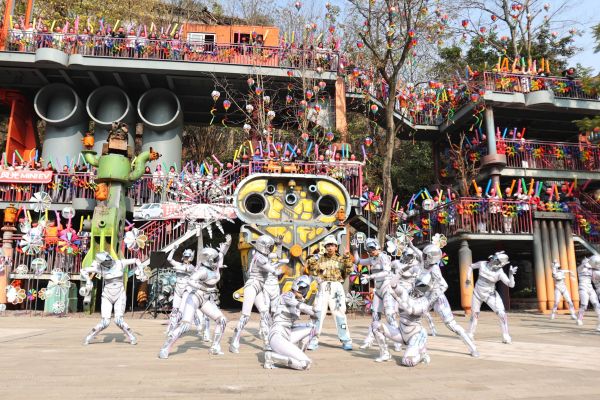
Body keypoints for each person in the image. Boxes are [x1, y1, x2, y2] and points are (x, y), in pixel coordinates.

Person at [159, 235, 231, 358]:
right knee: (186, 325)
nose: (216, 262)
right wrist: (204, 288)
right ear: (208, 260)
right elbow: (190, 281)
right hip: (194, 298)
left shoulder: (213, 269)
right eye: (213, 260)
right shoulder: (202, 271)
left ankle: (215, 347)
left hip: (205, 300)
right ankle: (166, 347)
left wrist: (227, 245)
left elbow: (220, 258)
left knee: (222, 320)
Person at [229, 235, 287, 353]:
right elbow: (271, 269)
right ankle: (235, 340)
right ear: (264, 246)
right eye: (270, 246)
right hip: (252, 286)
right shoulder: (259, 257)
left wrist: (280, 245)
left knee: (265, 313)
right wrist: (278, 269)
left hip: (259, 286)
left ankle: (267, 342)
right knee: (246, 316)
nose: (271, 248)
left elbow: (278, 256)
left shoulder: (264, 255)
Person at [420, 244, 479, 357]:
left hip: (438, 299)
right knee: (411, 319)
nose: (423, 257)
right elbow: (424, 284)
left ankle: (472, 347)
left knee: (452, 325)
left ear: (431, 257)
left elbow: (443, 286)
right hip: (426, 297)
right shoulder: (423, 265)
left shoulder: (435, 269)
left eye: (425, 255)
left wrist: (429, 301)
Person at [79, 252, 147, 345]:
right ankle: (89, 336)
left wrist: (141, 271)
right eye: (105, 262)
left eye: (109, 260)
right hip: (107, 295)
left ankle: (132, 336)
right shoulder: (99, 268)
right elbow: (83, 270)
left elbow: (136, 260)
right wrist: (88, 280)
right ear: (101, 263)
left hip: (120, 294)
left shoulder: (120, 263)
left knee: (118, 320)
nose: (108, 263)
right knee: (105, 322)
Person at [371, 272, 437, 366]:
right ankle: (385, 354)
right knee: (376, 326)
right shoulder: (406, 292)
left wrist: (397, 298)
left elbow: (411, 310)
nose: (420, 287)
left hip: (415, 335)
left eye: (423, 286)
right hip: (401, 332)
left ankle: (421, 354)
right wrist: (400, 272)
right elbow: (393, 284)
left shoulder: (424, 301)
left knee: (407, 361)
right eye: (419, 284)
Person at [306, 234, 353, 350]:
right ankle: (313, 339)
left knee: (340, 313)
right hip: (323, 286)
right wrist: (312, 259)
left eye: (332, 245)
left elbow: (349, 270)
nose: (330, 248)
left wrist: (347, 258)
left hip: (336, 287)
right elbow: (312, 270)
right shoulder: (319, 258)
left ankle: (346, 339)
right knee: (317, 313)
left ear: (336, 247)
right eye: (328, 245)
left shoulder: (341, 259)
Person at [263, 275, 320, 370]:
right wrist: (312, 309)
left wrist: (314, 312)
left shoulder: (297, 299)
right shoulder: (287, 295)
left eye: (305, 288)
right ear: (296, 286)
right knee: (305, 364)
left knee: (312, 328)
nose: (304, 291)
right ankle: (271, 357)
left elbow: (313, 314)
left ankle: (298, 353)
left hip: (287, 334)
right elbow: (301, 306)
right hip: (277, 335)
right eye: (302, 288)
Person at [354, 237, 400, 351]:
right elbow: (358, 261)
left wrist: (370, 276)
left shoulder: (383, 257)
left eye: (372, 249)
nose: (371, 251)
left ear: (377, 247)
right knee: (375, 317)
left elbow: (386, 272)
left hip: (387, 288)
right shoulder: (372, 259)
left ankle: (397, 341)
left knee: (389, 315)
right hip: (378, 290)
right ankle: (369, 340)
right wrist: (354, 250)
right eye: (368, 250)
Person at [466, 251, 517, 344]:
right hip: (477, 293)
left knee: (502, 314)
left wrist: (511, 274)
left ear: (500, 264)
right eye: (494, 259)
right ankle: (470, 333)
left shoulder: (500, 273)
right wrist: (468, 278)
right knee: (474, 314)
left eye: (496, 261)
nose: (493, 261)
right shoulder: (482, 264)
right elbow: (471, 266)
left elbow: (511, 284)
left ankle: (506, 335)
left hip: (490, 295)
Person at [165, 246, 210, 341]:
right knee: (174, 310)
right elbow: (169, 259)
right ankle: (171, 329)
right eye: (185, 257)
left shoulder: (191, 267)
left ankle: (201, 329)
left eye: (188, 257)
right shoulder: (179, 264)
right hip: (178, 290)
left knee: (183, 311)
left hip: (187, 290)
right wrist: (173, 249)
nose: (186, 258)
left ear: (191, 258)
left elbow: (189, 270)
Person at [576, 256, 600, 331]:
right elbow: (580, 267)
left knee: (596, 304)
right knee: (584, 304)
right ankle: (579, 318)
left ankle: (599, 324)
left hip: (590, 288)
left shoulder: (592, 270)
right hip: (583, 288)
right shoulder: (580, 269)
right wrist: (586, 262)